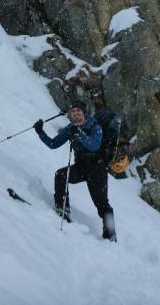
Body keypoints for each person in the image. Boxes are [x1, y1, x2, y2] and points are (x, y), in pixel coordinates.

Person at [34, 101, 116, 241]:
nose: (76, 113)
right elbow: (53, 144)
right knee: (61, 175)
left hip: (97, 168)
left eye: (78, 110)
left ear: (84, 112)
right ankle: (62, 209)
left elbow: (94, 146)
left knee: (102, 203)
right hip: (81, 167)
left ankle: (110, 234)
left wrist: (79, 134)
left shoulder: (94, 125)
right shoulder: (70, 128)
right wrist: (40, 132)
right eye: (73, 111)